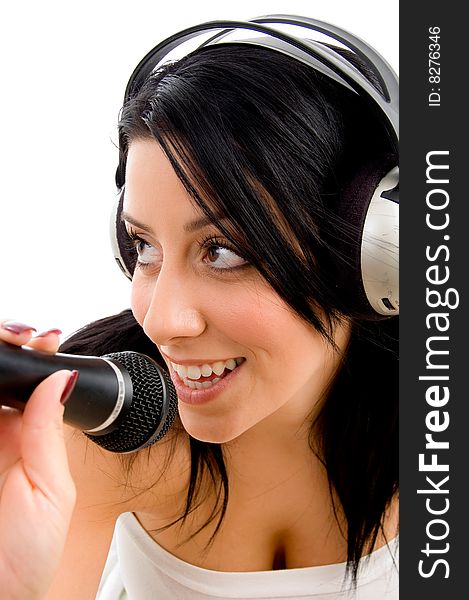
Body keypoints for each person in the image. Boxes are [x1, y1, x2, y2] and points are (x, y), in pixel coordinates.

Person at [0, 16, 399, 599]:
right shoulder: (105, 437)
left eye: (223, 250)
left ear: (368, 257)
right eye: (144, 247)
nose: (161, 321)